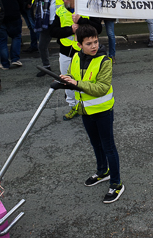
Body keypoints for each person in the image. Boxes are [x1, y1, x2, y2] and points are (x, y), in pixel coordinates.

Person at [60, 24, 124, 204]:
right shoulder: (75, 58)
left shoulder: (104, 61)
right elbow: (71, 75)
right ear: (79, 45)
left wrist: (76, 84)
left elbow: (102, 88)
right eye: (89, 43)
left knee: (108, 146)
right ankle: (103, 171)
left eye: (96, 42)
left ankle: (116, 183)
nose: (94, 46)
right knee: (95, 143)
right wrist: (65, 79)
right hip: (85, 110)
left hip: (103, 111)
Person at [49, 0, 102, 120]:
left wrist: (82, 21)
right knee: (67, 80)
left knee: (87, 80)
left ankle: (86, 105)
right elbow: (53, 31)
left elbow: (99, 29)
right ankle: (73, 106)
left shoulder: (86, 8)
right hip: (66, 52)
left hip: (86, 53)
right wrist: (70, 30)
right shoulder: (60, 10)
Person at [32, 0, 58, 76]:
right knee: (42, 46)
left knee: (66, 45)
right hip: (45, 23)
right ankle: (46, 67)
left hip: (57, 23)